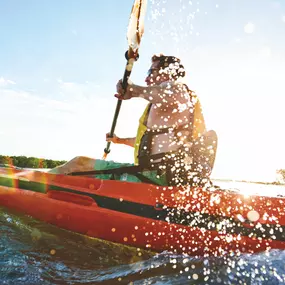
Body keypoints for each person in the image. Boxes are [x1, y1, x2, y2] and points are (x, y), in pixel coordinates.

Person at [50, 54, 217, 186]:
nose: (147, 78)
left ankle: (31, 182)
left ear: (167, 72)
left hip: (156, 176)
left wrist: (133, 90)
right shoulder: (165, 106)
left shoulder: (177, 88)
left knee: (79, 163)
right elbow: (151, 143)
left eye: (150, 72)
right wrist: (119, 140)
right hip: (153, 172)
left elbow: (168, 96)